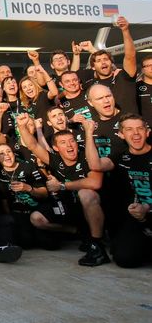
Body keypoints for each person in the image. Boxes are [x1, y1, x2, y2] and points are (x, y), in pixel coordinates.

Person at [16, 114, 108, 266]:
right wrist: (21, 126)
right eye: (63, 143)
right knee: (36, 219)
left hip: (88, 207)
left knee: (86, 193)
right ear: (56, 148)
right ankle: (75, 231)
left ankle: (97, 245)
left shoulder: (87, 157)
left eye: (72, 141)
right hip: (66, 207)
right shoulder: (55, 160)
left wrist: (63, 186)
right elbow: (32, 145)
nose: (70, 145)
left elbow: (95, 182)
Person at [83, 114, 152, 267]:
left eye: (140, 128)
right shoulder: (120, 157)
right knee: (123, 258)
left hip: (147, 210)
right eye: (129, 129)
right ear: (121, 134)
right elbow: (95, 165)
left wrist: (148, 207)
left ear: (147, 132)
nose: (135, 133)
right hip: (138, 219)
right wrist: (88, 133)